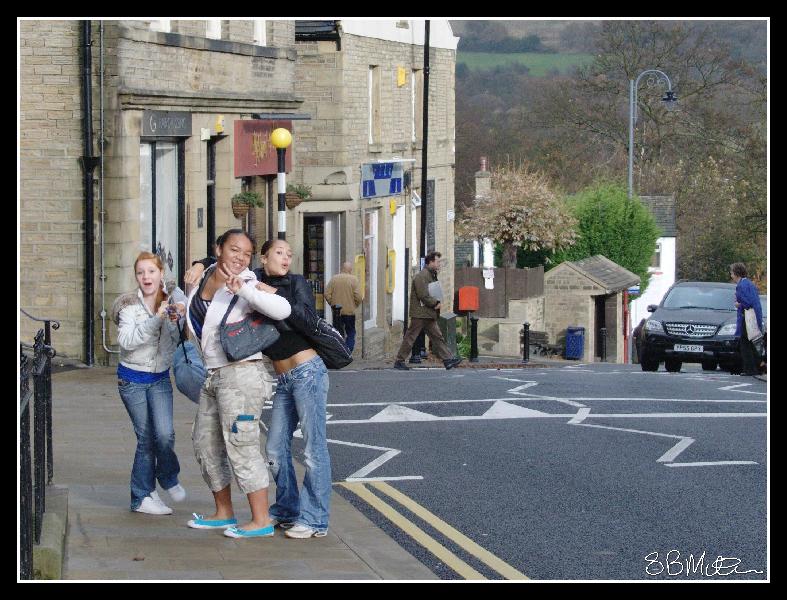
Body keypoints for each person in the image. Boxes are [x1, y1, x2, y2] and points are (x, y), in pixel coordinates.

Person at [185, 239, 332, 539]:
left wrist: (265, 292)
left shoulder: (291, 283)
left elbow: (299, 314)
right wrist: (200, 263)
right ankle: (286, 510)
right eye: (279, 252)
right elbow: (225, 260)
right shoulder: (247, 275)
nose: (286, 257)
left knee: (313, 450)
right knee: (275, 449)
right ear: (263, 259)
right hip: (281, 376)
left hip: (306, 370)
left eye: (290, 253)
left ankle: (315, 518)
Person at [111, 252, 188, 515]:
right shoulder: (128, 305)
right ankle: (142, 496)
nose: (146, 277)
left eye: (151, 271)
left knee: (165, 435)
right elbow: (127, 341)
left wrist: (178, 317)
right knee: (146, 438)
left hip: (160, 378)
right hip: (132, 379)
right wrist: (156, 318)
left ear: (160, 274)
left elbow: (184, 330)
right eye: (141, 272)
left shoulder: (174, 298)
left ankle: (165, 477)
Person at [394, 251, 462, 371]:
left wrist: (437, 302)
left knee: (437, 337)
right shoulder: (422, 276)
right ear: (430, 262)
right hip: (420, 313)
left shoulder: (431, 275)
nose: (439, 264)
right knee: (411, 337)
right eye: (437, 261)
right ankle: (399, 361)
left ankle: (448, 360)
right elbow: (423, 295)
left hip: (428, 313)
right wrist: (435, 303)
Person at [730, 262, 764, 377]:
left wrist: (738, 304)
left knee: (745, 343)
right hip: (754, 316)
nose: (731, 275)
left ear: (736, 273)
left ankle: (750, 369)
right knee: (751, 342)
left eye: (732, 273)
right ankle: (760, 366)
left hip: (747, 317)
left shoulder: (741, 286)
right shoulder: (750, 283)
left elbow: (747, 302)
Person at [324, 262, 363, 353]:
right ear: (350, 270)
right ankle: (348, 351)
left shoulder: (334, 279)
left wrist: (332, 304)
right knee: (350, 332)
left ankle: (339, 352)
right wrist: (354, 305)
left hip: (337, 311)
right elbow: (358, 297)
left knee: (338, 333)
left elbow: (326, 294)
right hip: (349, 312)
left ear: (342, 268)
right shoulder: (354, 279)